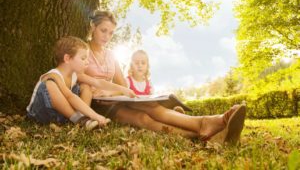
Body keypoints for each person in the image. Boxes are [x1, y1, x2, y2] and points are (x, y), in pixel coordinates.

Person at [81, 10, 246, 144]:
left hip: (113, 99)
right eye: (103, 31)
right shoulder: (82, 51)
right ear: (93, 27)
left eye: (111, 33)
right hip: (96, 106)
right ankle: (198, 133)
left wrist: (113, 93)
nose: (107, 36)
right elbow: (80, 81)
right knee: (142, 118)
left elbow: (124, 88)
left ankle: (208, 123)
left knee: (153, 107)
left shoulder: (110, 55)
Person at [26, 36, 134, 130]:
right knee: (50, 85)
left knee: (85, 86)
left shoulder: (76, 75)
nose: (87, 62)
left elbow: (98, 82)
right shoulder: (54, 75)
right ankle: (81, 120)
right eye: (83, 58)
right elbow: (70, 97)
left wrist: (122, 89)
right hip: (40, 114)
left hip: (61, 116)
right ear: (67, 58)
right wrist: (95, 115)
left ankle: (81, 118)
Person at [127, 49, 186, 113]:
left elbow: (153, 99)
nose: (140, 65)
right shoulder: (128, 81)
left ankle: (175, 113)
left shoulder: (149, 83)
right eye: (136, 63)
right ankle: (173, 114)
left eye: (143, 63)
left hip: (148, 108)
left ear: (147, 66)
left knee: (157, 107)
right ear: (131, 66)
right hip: (135, 109)